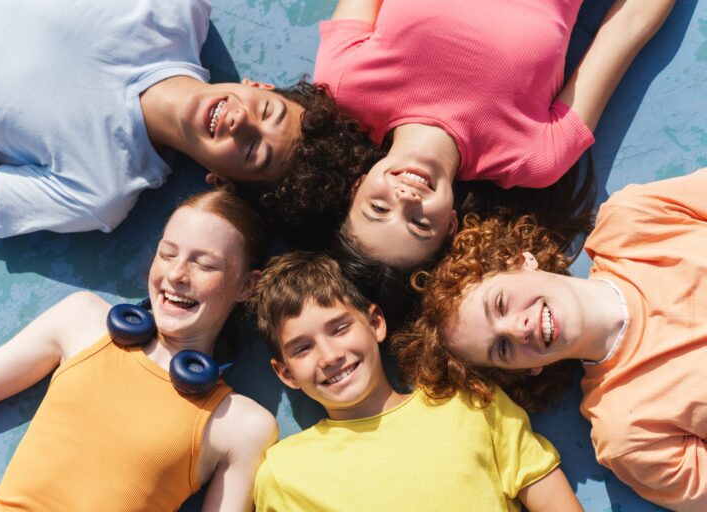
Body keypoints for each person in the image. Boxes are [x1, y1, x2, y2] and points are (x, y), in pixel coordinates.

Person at [0, 189, 277, 511]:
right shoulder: (82, 320)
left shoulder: (242, 424)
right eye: (167, 253)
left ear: (247, 285)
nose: (176, 274)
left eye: (204, 265)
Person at [396, 169, 707, 511]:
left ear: (519, 260)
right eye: (502, 348)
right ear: (530, 369)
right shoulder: (628, 432)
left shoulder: (633, 221)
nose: (517, 328)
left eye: (500, 303)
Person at [0, 0, 373, 240]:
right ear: (257, 87)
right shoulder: (177, 9)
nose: (242, 122)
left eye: (254, 151)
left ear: (225, 183)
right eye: (266, 111)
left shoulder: (98, 191)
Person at [314, 0, 674, 268]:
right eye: (420, 224)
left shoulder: (343, 86)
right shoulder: (532, 157)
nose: (405, 199)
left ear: (356, 187)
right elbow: (629, 25)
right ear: (451, 224)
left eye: (378, 208)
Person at [250, 251, 582, 512]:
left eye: (339, 329)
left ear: (376, 323)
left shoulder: (473, 403)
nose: (329, 355)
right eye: (303, 348)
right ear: (286, 373)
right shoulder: (284, 475)